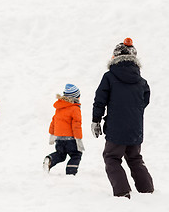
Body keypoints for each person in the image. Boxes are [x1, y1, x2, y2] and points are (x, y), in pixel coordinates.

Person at [91, 38, 154, 199]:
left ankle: (122, 192)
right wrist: (132, 112)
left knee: (111, 157)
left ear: (115, 57)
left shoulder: (109, 77)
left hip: (116, 128)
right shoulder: (141, 81)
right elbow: (144, 101)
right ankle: (147, 191)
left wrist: (96, 120)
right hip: (135, 128)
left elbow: (100, 100)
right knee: (135, 158)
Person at [43, 84, 84, 175]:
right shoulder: (75, 109)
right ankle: (70, 173)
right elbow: (76, 125)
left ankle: (50, 160)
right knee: (76, 155)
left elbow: (54, 121)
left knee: (61, 155)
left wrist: (52, 134)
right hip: (71, 139)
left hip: (59, 138)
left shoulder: (59, 108)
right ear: (76, 97)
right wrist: (78, 139)